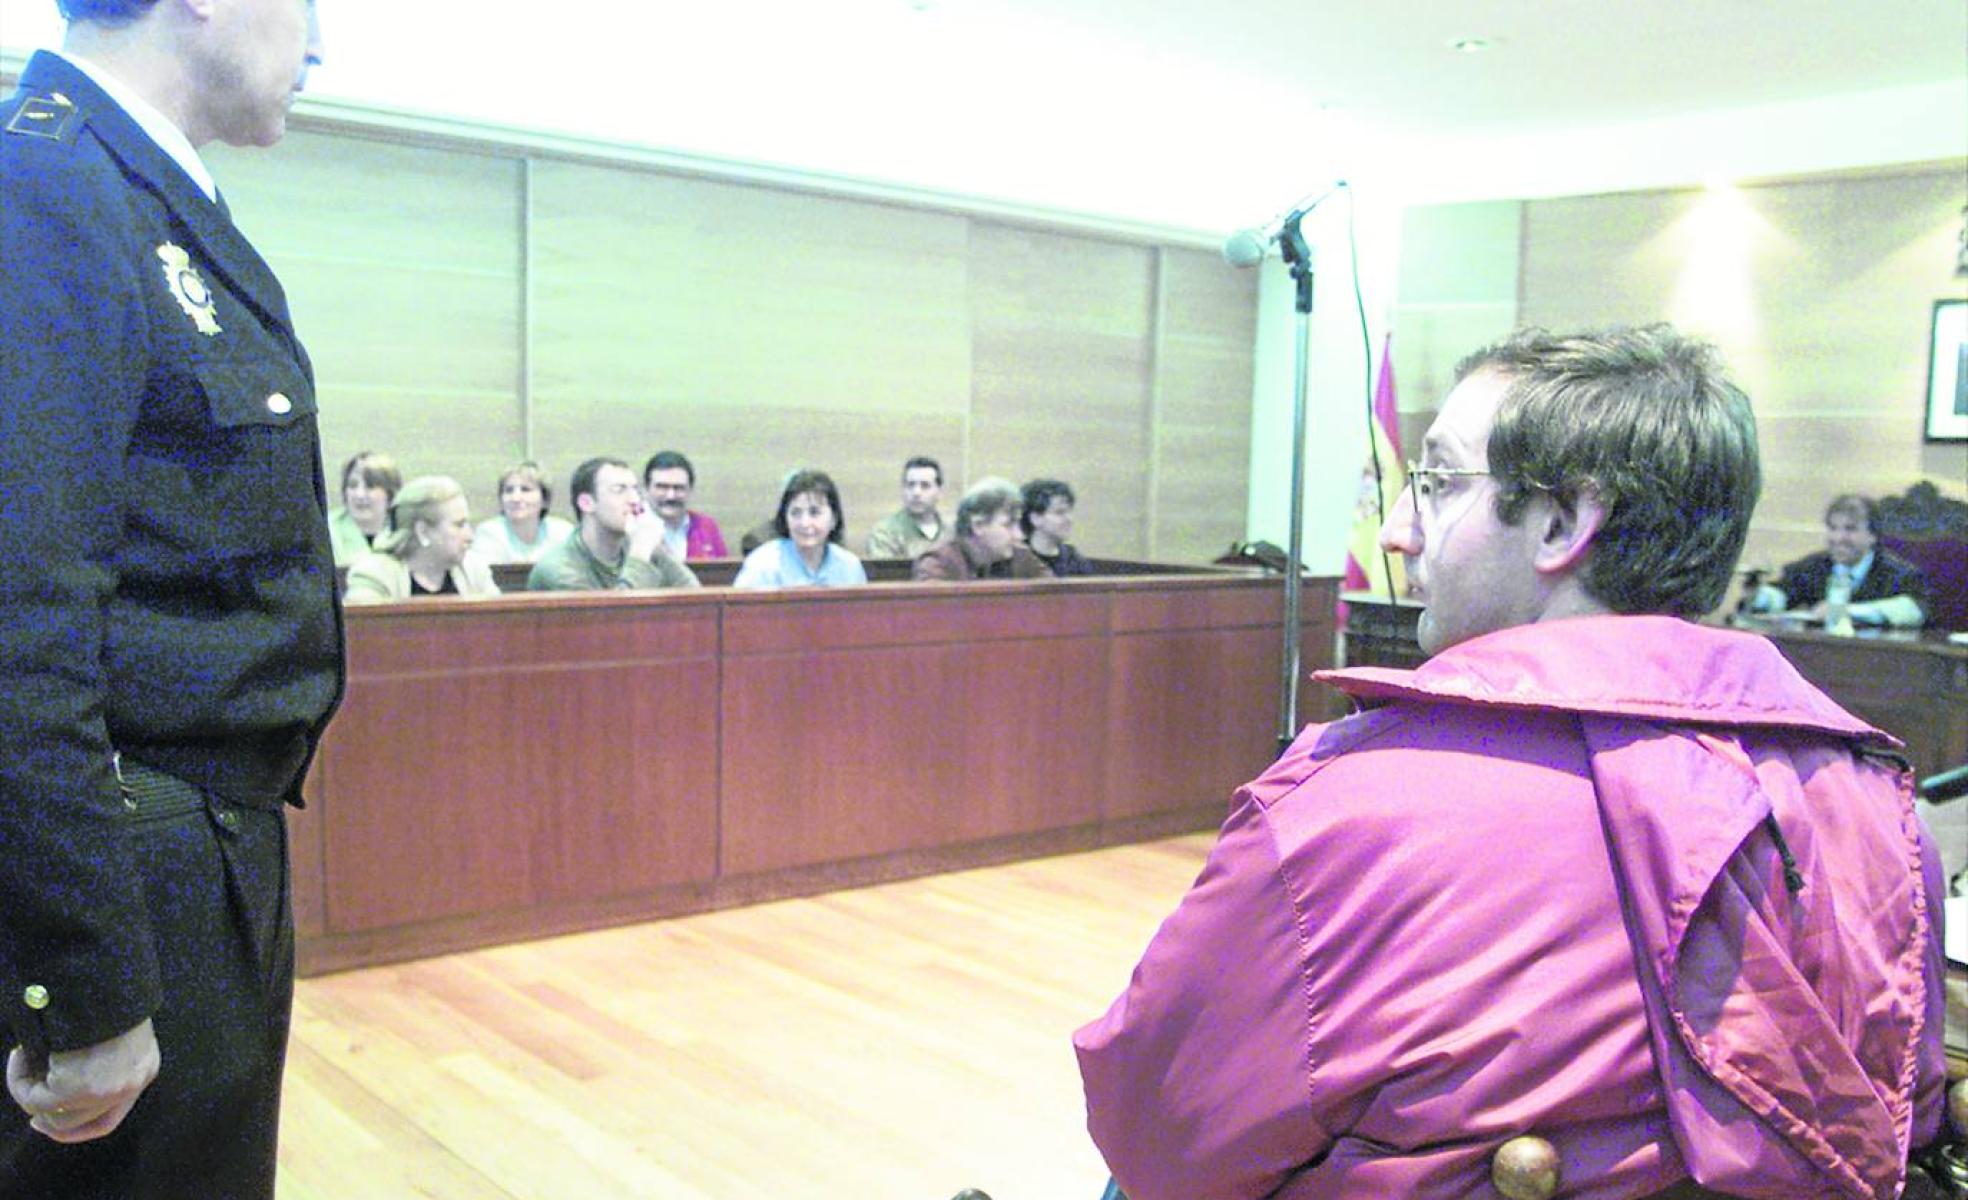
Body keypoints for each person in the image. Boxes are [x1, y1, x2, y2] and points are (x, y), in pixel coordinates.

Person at [1074, 326, 1949, 1200]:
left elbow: (1158, 1139)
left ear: (1563, 524)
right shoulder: (1886, 810)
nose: (1399, 532)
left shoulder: (1344, 815)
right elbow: (1908, 1121)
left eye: (1440, 483)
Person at [0, 2, 341, 1197]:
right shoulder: (45, 189)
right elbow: (17, 620)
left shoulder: (141, 197)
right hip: (125, 865)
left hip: (199, 851)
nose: (322, 44)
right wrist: (86, 982)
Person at [1746, 493, 1929, 627]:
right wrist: (1758, 592)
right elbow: (1782, 595)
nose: (1838, 538)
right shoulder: (1813, 566)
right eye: (1833, 528)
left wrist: (1844, 611)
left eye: (1850, 529)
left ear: (1872, 535)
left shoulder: (1900, 574)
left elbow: (1914, 610)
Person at [528, 457, 699, 591]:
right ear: (587, 503)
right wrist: (640, 553)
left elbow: (696, 597)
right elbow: (614, 626)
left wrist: (656, 549)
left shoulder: (635, 546)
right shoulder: (558, 570)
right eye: (619, 490)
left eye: (635, 490)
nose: (634, 500)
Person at [344, 476, 498, 602]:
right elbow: (363, 635)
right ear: (422, 531)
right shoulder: (374, 576)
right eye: (459, 525)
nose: (470, 536)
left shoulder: (475, 571)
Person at [733, 470, 868, 589]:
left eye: (814, 512)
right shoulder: (762, 564)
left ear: (834, 519)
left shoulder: (850, 566)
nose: (805, 523)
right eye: (796, 513)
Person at [913, 477, 1049, 581]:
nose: (1019, 535)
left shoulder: (1021, 556)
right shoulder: (937, 564)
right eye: (1008, 525)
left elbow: (1057, 598)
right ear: (978, 525)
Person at [467, 461, 572, 566]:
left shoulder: (563, 532)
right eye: (508, 490)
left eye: (526, 490)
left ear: (544, 500)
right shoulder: (489, 533)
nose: (515, 498)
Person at [643, 449, 728, 559]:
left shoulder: (706, 526)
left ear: (690, 490)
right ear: (646, 489)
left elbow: (722, 573)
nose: (671, 496)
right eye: (662, 487)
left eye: (678, 488)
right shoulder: (631, 528)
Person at [867, 455, 953, 559]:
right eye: (910, 485)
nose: (916, 492)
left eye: (925, 485)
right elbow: (886, 574)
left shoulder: (954, 532)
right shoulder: (885, 533)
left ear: (940, 492)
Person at [327, 449, 402, 565]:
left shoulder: (404, 530)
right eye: (352, 486)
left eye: (370, 487)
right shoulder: (326, 529)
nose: (359, 495)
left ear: (390, 493)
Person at [1020, 478, 1095, 577]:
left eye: (1069, 512)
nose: (1069, 519)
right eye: (1059, 512)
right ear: (1035, 518)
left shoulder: (1075, 561)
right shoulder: (1018, 558)